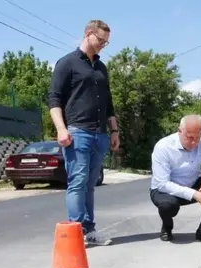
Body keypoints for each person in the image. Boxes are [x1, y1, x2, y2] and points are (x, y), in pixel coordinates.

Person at [47, 19, 119, 247]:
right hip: (77, 132)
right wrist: (61, 128)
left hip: (99, 134)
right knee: (77, 182)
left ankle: (89, 231)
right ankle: (76, 232)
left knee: (89, 185)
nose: (102, 46)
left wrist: (114, 130)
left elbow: (108, 103)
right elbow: (54, 99)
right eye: (100, 40)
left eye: (106, 43)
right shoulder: (67, 63)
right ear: (88, 34)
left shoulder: (101, 68)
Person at [149, 115, 201, 243]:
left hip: (191, 184)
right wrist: (195, 194)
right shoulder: (163, 147)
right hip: (165, 191)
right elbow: (163, 184)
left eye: (197, 138)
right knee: (167, 206)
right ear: (180, 131)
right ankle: (167, 226)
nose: (194, 143)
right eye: (190, 138)